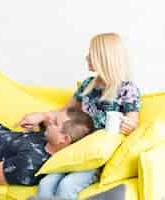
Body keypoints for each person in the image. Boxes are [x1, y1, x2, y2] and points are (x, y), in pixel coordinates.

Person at [20, 33, 141, 199]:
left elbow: (133, 121)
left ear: (103, 57)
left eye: (91, 53)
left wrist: (130, 125)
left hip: (95, 157)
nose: (87, 57)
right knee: (46, 183)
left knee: (67, 186)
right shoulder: (88, 84)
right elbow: (65, 111)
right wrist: (40, 116)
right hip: (75, 151)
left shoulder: (127, 89)